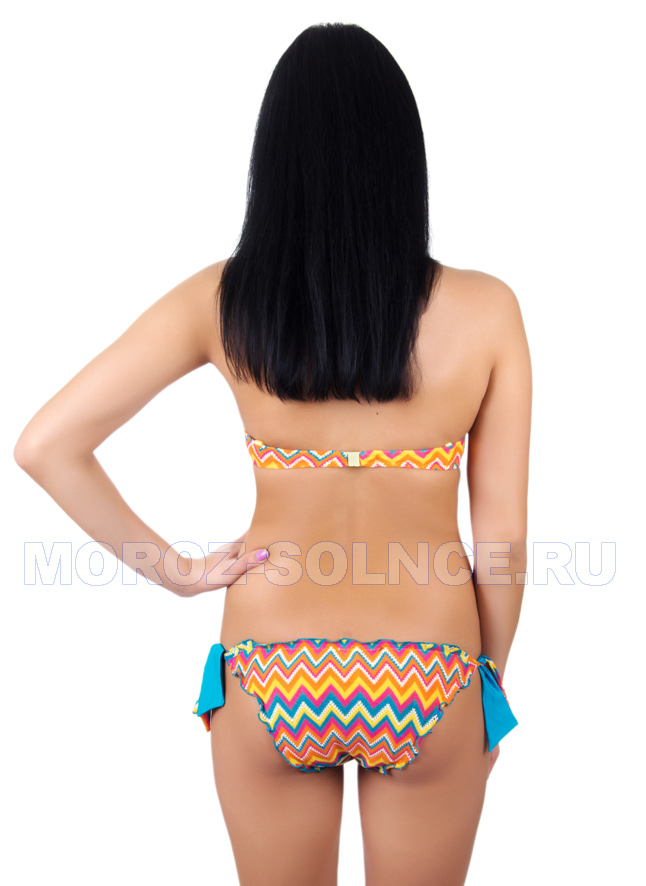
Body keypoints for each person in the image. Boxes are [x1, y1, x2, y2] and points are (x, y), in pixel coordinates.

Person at [14, 22, 532, 886]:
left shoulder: (222, 302)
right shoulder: (488, 312)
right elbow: (504, 541)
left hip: (270, 671)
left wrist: (178, 573)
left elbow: (45, 445)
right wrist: (490, 687)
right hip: (432, 674)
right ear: (403, 158)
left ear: (275, 160)